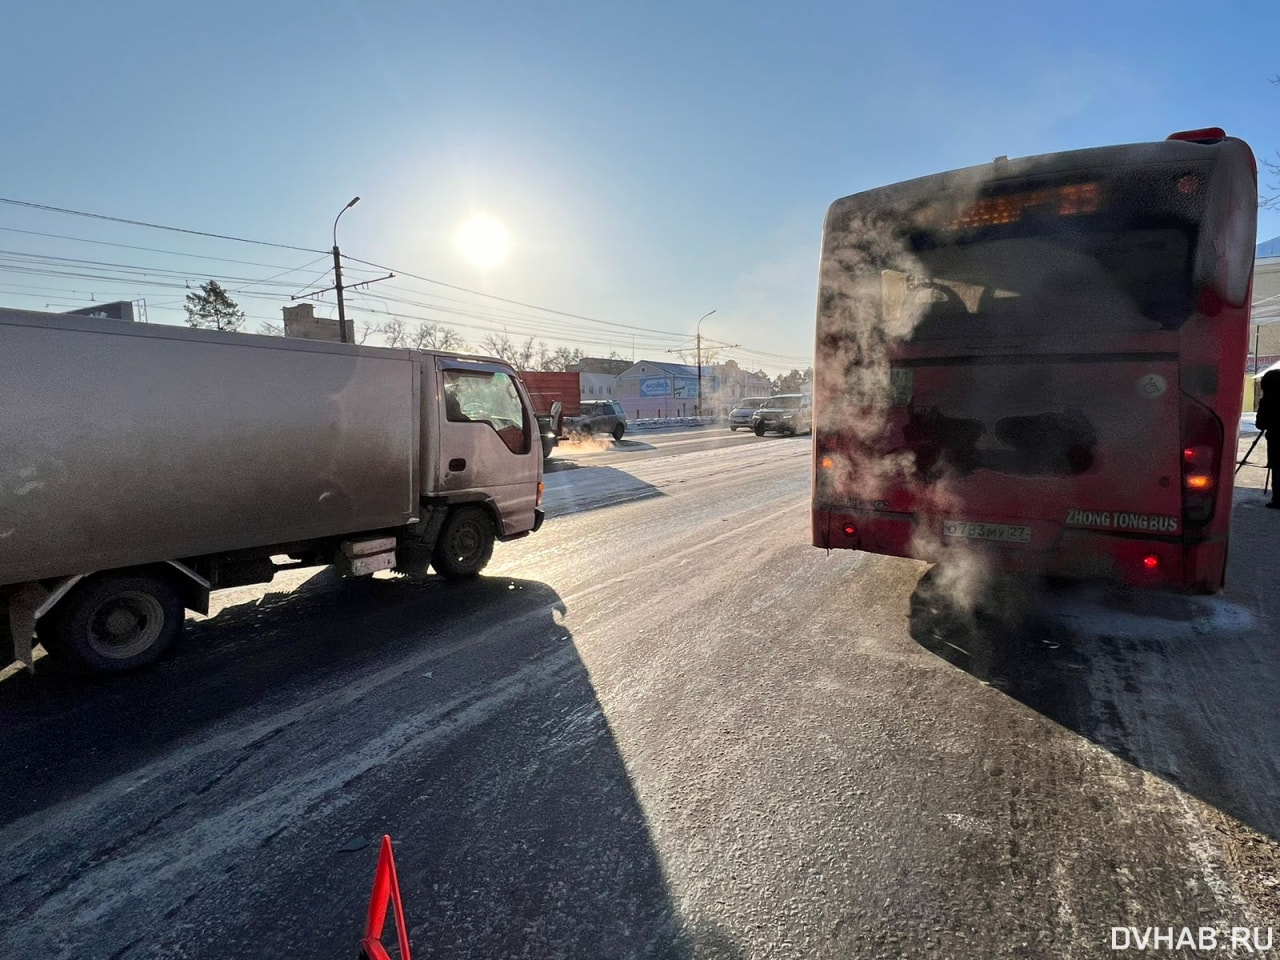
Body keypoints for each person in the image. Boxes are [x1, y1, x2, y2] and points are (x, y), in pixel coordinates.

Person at [1257, 369, 1280, 508]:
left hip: (1276, 439)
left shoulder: (1267, 400)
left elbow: (1260, 424)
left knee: (1277, 468)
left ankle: (1278, 499)